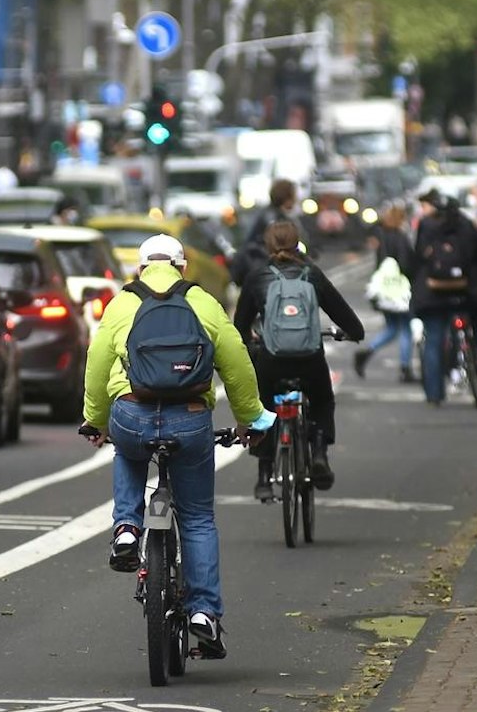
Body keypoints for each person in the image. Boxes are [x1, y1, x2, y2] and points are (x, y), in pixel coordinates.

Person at [82, 234, 275, 660]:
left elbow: (97, 361)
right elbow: (236, 361)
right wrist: (250, 418)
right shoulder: (201, 302)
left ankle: (127, 528)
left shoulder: (123, 302)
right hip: (189, 419)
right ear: (182, 267)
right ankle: (203, 613)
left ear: (140, 268)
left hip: (131, 412)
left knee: (128, 450)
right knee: (198, 518)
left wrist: (96, 420)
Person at [233, 219, 365, 501]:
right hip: (309, 358)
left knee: (263, 407)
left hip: (272, 359)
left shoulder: (258, 276)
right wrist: (353, 333)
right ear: (297, 244)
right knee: (322, 400)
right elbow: (343, 314)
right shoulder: (311, 274)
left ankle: (264, 475)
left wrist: (251, 342)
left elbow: (240, 325)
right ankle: (319, 453)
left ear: (268, 245)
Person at [410, 189, 477, 406]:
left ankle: (434, 394)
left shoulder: (426, 225)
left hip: (432, 292)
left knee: (434, 341)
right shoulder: (466, 224)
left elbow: (417, 257)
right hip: (463, 291)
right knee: (474, 319)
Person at [355, 204, 417, 383]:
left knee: (391, 328)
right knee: (405, 328)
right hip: (399, 291)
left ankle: (367, 352)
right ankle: (405, 369)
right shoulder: (400, 237)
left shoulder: (382, 236)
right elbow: (405, 264)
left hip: (385, 291)